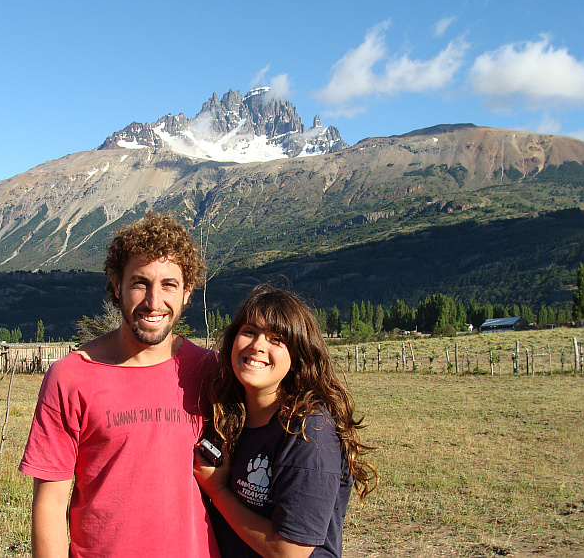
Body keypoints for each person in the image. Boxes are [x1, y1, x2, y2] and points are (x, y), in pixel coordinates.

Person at [19, 212, 220, 558]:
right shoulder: (70, 378)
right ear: (116, 285)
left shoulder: (210, 371)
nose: (154, 302)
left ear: (187, 292)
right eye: (140, 283)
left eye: (169, 285)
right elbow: (49, 505)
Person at [193, 284, 378, 558]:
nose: (257, 346)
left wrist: (218, 490)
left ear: (297, 357)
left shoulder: (308, 432)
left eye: (276, 339)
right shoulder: (229, 417)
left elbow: (289, 552)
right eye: (249, 332)